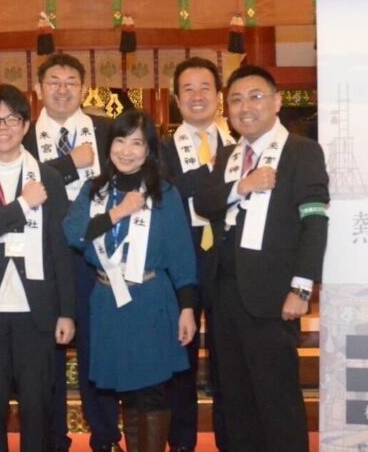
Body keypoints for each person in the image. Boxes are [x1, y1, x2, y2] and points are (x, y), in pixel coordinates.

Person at [193, 65, 329, 452]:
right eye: (235, 100)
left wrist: (301, 288)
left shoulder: (301, 151)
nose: (245, 107)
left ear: (277, 101)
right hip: (224, 293)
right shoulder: (229, 155)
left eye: (255, 97)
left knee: (276, 396)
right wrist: (243, 185)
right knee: (233, 396)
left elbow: (315, 220)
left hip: (273, 295)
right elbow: (205, 202)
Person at [63, 109, 197, 452]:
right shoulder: (94, 190)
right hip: (107, 303)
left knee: (151, 392)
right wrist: (118, 211)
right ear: (109, 145)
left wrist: (187, 308)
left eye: (136, 143)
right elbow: (74, 233)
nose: (126, 150)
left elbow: (182, 255)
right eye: (120, 140)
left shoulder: (164, 193)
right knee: (124, 390)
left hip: (151, 300)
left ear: (149, 150)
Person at [0, 85, 76, 452]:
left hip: (37, 309)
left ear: (25, 125)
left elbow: (60, 249)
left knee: (37, 407)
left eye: (11, 119)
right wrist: (22, 205)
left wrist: (67, 311)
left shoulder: (49, 178)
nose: (2, 127)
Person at [23, 53, 120, 452]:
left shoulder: (107, 131)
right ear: (38, 89)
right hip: (43, 258)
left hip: (97, 257)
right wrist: (69, 163)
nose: (62, 90)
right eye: (54, 82)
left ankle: (106, 437)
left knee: (99, 348)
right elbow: (21, 188)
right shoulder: (22, 135)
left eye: (71, 82)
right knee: (48, 353)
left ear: (84, 89)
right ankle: (52, 440)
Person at [158, 57, 233, 452]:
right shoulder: (160, 150)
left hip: (228, 269)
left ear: (219, 96)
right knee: (179, 365)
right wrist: (215, 177)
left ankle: (229, 441)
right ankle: (182, 444)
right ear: (176, 99)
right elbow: (165, 196)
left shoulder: (240, 148)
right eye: (188, 89)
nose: (197, 96)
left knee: (227, 364)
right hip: (179, 269)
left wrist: (196, 184)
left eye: (205, 88)